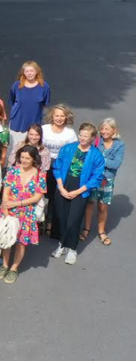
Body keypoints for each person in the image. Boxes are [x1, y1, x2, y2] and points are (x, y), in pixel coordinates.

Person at [51, 123, 105, 265]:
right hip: (64, 183)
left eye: (86, 136)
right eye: (81, 134)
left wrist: (77, 192)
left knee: (73, 220)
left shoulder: (96, 155)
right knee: (62, 218)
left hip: (81, 189)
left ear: (93, 138)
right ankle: (62, 244)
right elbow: (57, 167)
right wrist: (61, 187)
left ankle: (72, 249)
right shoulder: (68, 148)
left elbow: (96, 178)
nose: (82, 138)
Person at [0, 146, 49, 283]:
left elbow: (37, 197)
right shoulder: (12, 171)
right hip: (9, 210)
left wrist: (17, 204)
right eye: (22, 157)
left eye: (27, 158)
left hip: (26, 213)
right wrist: (6, 211)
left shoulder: (40, 175)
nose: (24, 160)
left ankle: (14, 268)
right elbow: (5, 192)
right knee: (7, 240)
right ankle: (5, 265)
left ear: (33, 159)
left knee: (21, 243)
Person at [85, 118, 125, 246]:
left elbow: (116, 164)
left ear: (114, 130)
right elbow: (89, 158)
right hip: (94, 178)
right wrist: (103, 161)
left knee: (103, 206)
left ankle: (101, 232)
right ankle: (86, 228)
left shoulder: (119, 145)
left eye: (106, 129)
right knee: (90, 203)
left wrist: (100, 159)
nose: (103, 131)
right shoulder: (96, 142)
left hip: (107, 179)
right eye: (102, 128)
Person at [41, 103, 78, 238]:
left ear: (66, 117)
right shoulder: (44, 129)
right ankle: (37, 221)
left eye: (62, 116)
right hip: (43, 166)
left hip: (59, 168)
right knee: (39, 194)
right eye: (57, 115)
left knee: (53, 197)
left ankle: (50, 223)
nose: (59, 118)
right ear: (52, 116)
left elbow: (73, 151)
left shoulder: (70, 133)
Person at [8, 61, 51, 157]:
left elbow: (44, 104)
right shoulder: (16, 85)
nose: (29, 73)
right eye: (27, 71)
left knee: (31, 153)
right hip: (17, 124)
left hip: (34, 124)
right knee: (15, 152)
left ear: (37, 72)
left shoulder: (44, 86)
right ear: (23, 72)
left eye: (32, 71)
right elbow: (12, 101)